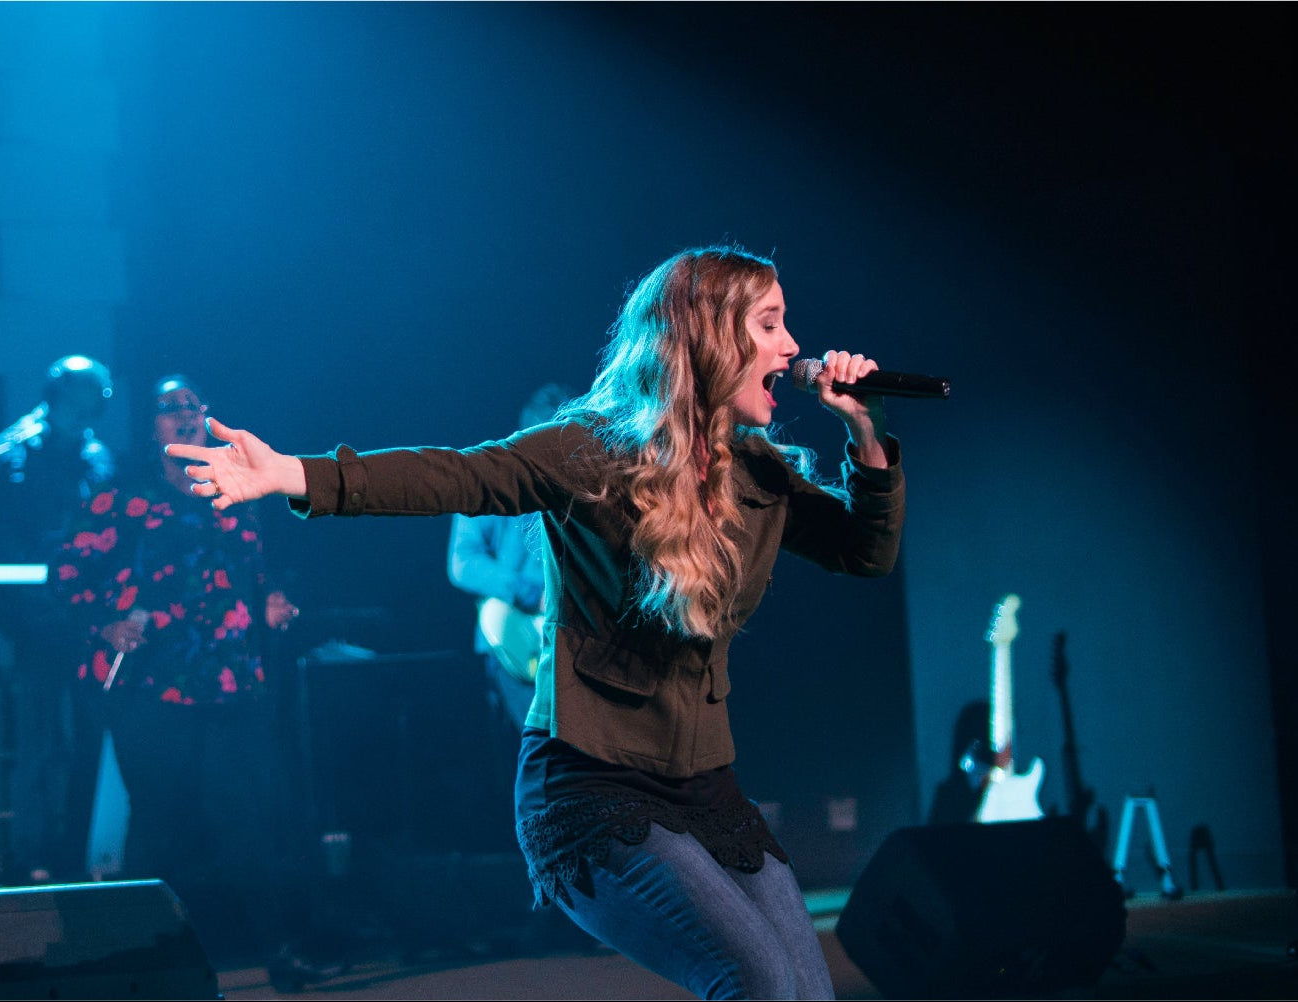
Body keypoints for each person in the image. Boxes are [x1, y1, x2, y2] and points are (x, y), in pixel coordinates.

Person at [167, 245, 904, 1000]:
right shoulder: (590, 451)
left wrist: (867, 434)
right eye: (771, 324)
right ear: (708, 337)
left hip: (705, 787)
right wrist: (292, 472)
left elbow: (865, 552)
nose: (793, 346)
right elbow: (456, 474)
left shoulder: (760, 473)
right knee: (757, 982)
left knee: (806, 994)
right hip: (589, 783)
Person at [52, 374, 302, 975]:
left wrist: (272, 599)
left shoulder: (234, 491)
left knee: (245, 815)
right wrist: (110, 624)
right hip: (152, 686)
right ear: (151, 424)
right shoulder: (123, 499)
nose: (185, 416)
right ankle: (135, 965)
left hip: (230, 680)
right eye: (170, 409)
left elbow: (257, 570)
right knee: (160, 823)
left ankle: (280, 952)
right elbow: (65, 576)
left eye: (194, 406)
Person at [0, 354, 116, 882]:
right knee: (40, 743)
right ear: (61, 395)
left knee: (92, 738)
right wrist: (50, 580)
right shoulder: (11, 453)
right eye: (88, 397)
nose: (95, 410)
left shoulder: (97, 456)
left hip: (89, 625)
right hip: (36, 620)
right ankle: (33, 859)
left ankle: (82, 851)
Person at [447, 382, 574, 732]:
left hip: (573, 643)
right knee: (541, 753)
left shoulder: (583, 487)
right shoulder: (494, 481)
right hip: (516, 642)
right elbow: (462, 563)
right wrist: (531, 594)